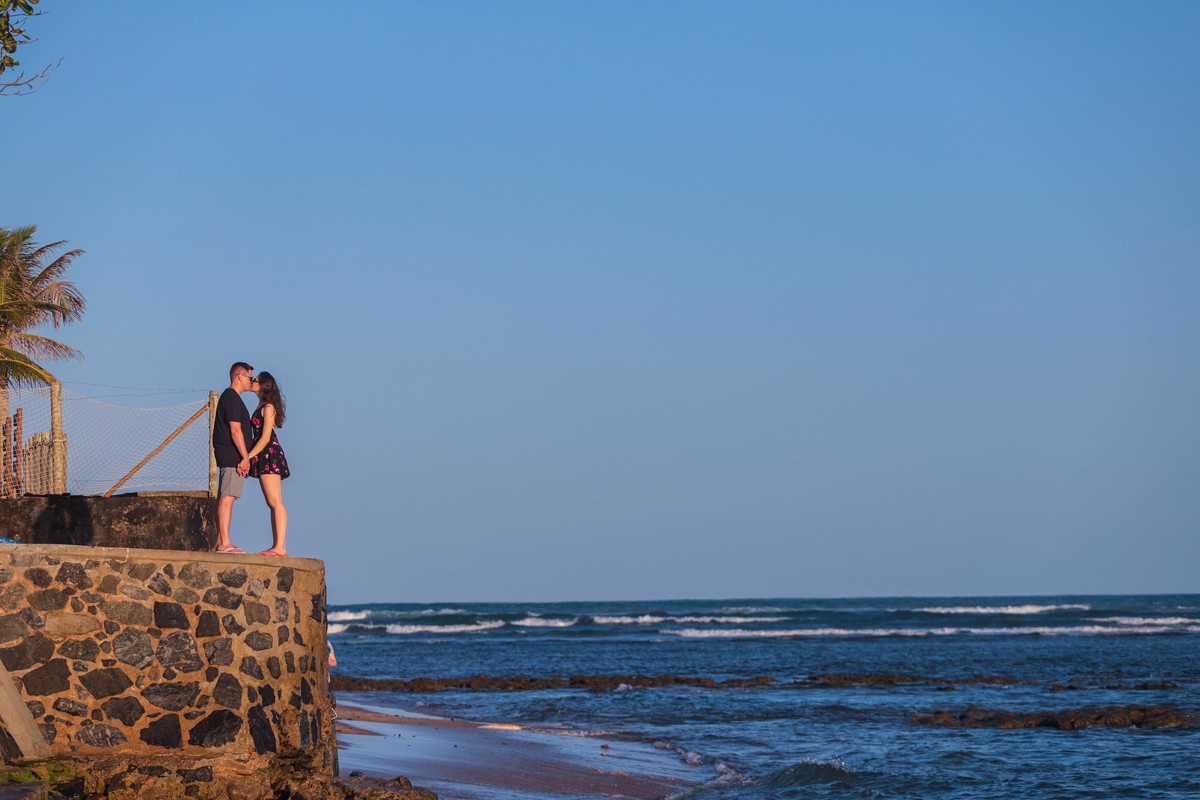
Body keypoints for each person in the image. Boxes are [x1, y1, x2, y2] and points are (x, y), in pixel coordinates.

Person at [246, 371, 290, 556]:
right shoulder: (261, 406)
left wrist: (248, 456)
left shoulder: (269, 407)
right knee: (272, 502)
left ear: (262, 385)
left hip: (268, 453)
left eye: (255, 380)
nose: (252, 382)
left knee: (275, 502)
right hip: (264, 454)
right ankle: (277, 545)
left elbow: (265, 438)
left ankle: (280, 546)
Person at [212, 362, 255, 554]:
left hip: (229, 454)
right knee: (228, 497)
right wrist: (245, 457)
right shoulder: (232, 398)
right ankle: (225, 543)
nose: (251, 382)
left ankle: (221, 541)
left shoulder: (230, 398)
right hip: (232, 455)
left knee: (225, 496)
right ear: (240, 376)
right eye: (250, 378)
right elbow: (235, 430)